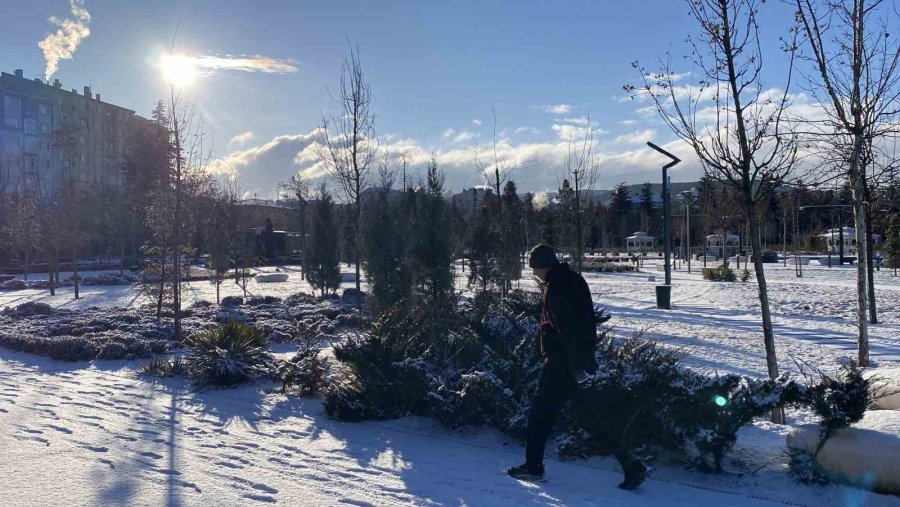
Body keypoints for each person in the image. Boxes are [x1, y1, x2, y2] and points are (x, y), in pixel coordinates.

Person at [507, 244, 649, 490]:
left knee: (539, 415)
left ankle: (533, 467)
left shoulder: (555, 289)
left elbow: (567, 330)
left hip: (561, 365)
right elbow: (584, 322)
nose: (535, 274)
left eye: (536, 269)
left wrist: (573, 367)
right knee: (591, 417)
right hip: (577, 361)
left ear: (543, 266)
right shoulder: (573, 280)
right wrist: (583, 362)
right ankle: (631, 464)